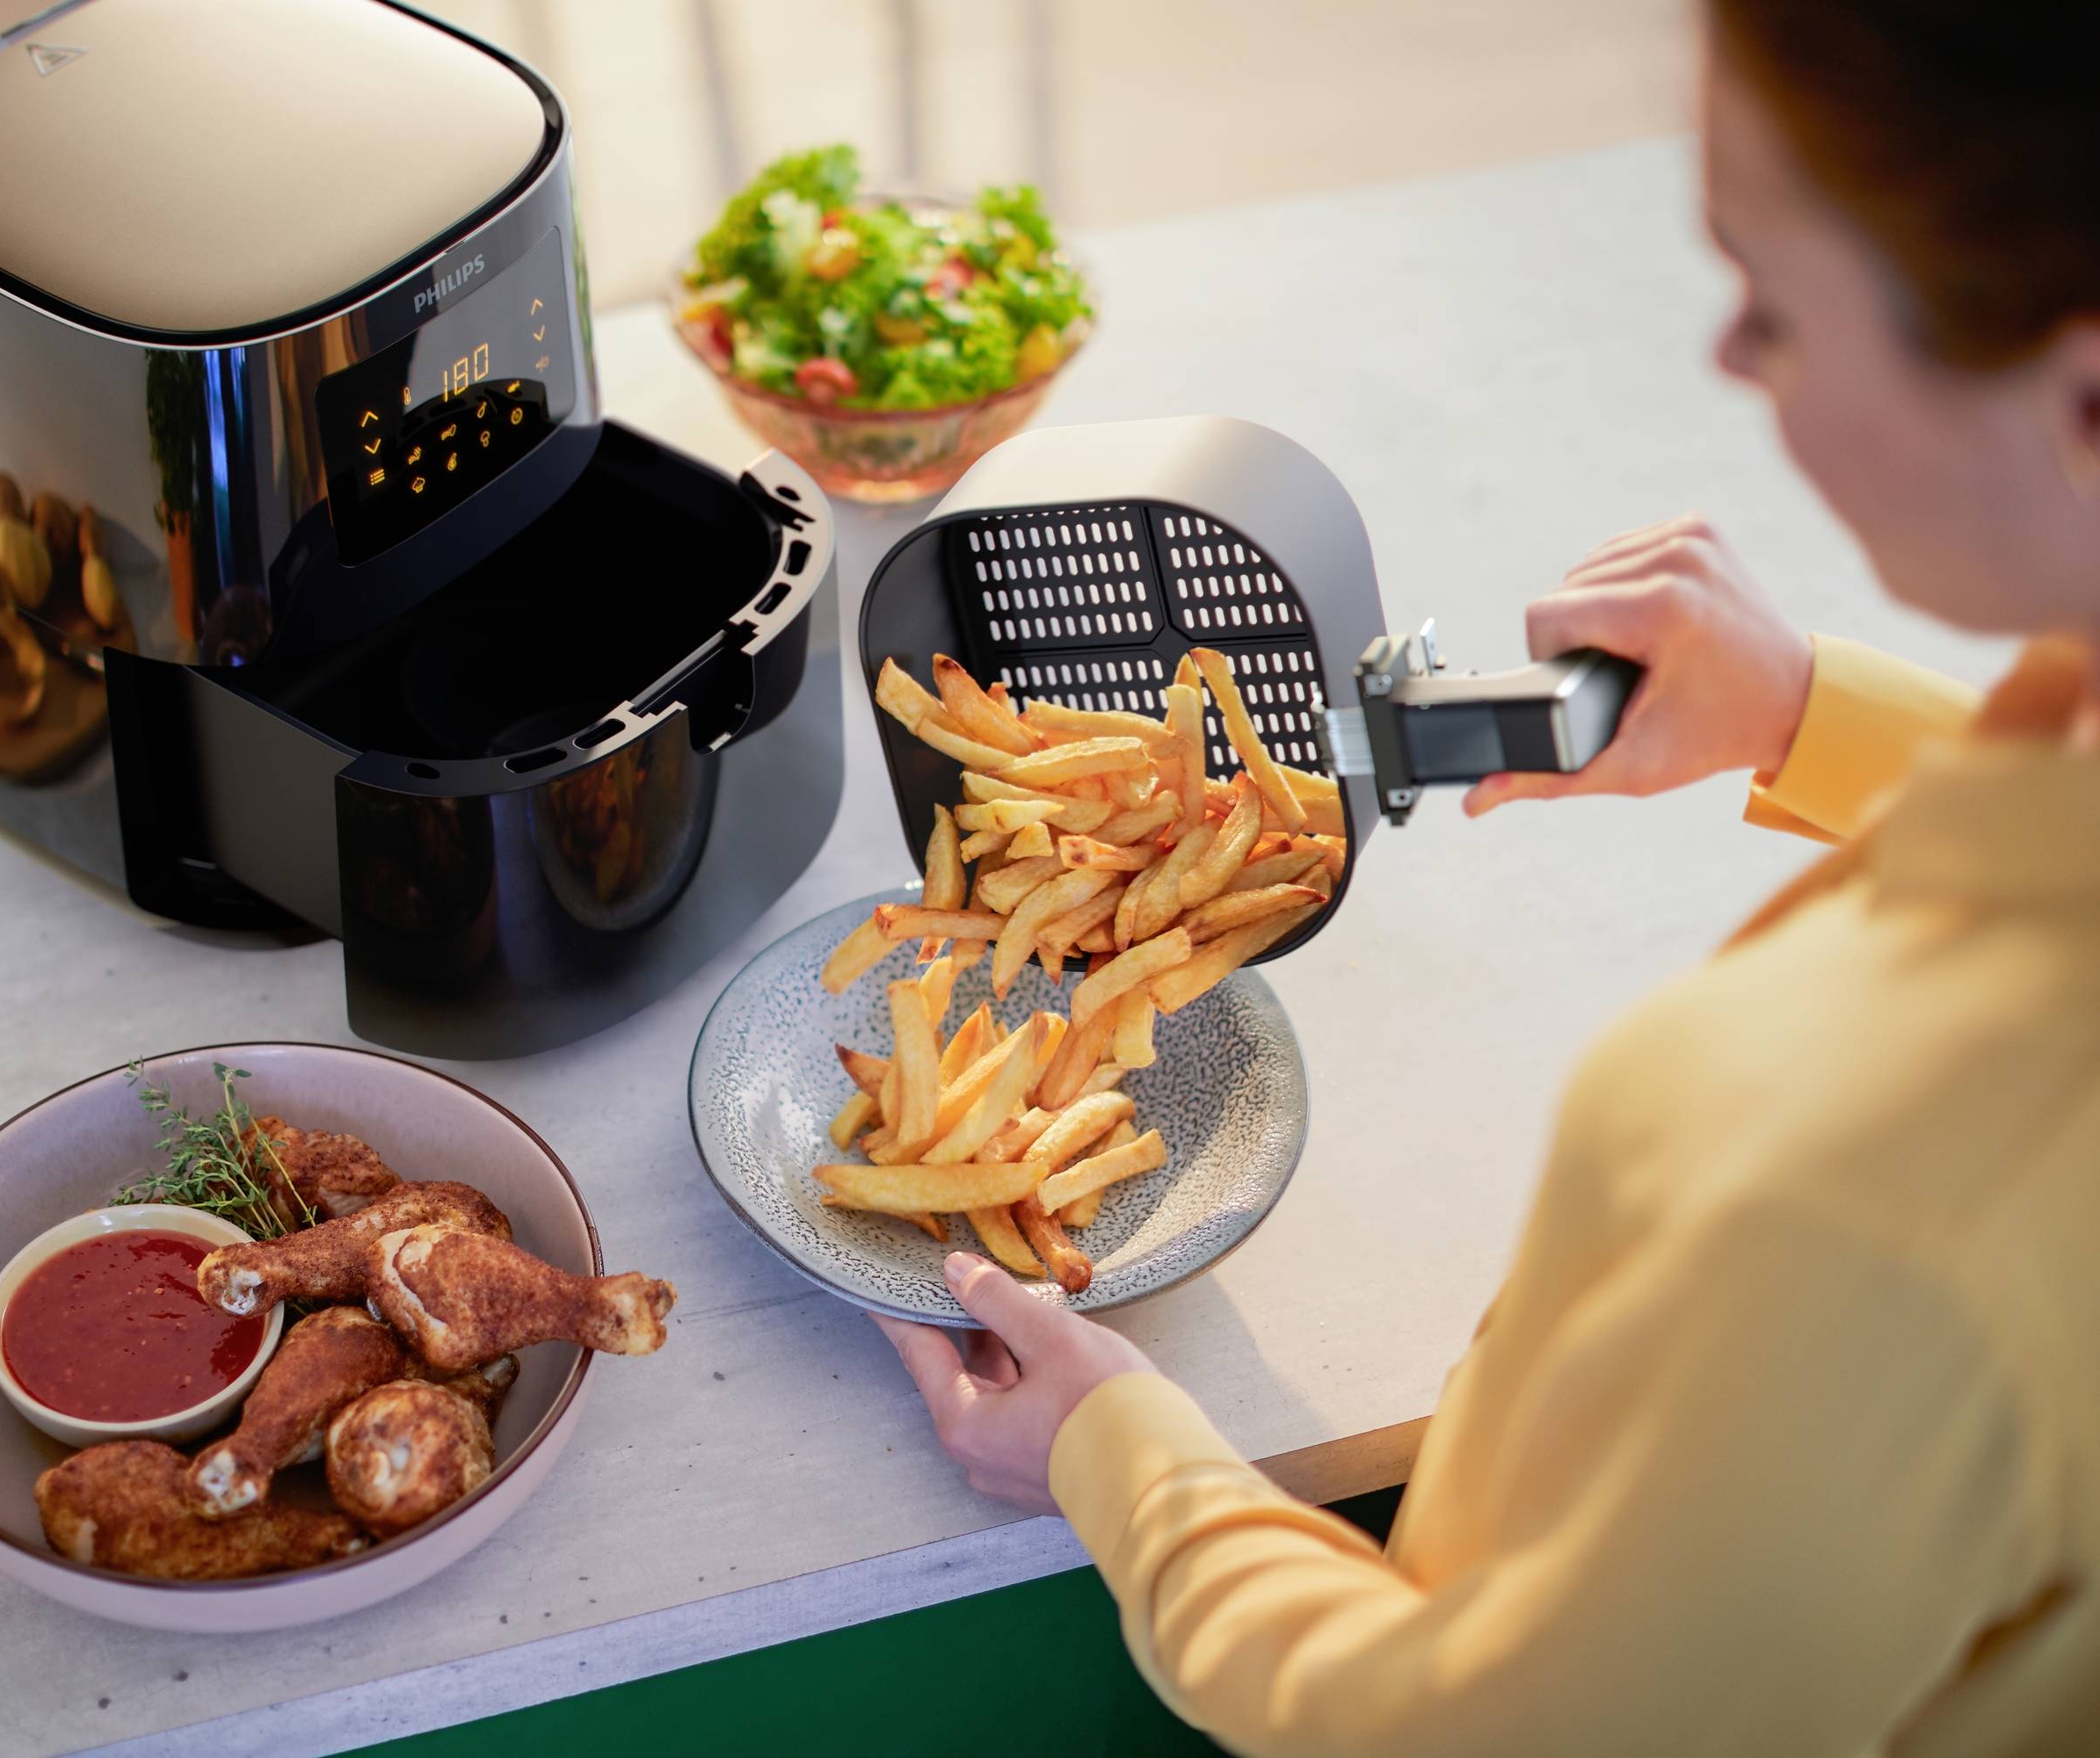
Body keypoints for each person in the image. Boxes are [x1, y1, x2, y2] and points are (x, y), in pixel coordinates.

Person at [875, 4, 2100, 1751]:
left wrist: (1114, 1449)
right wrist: (1816, 717)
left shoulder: (1895, 1218)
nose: (1735, 362)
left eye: (1771, 300)